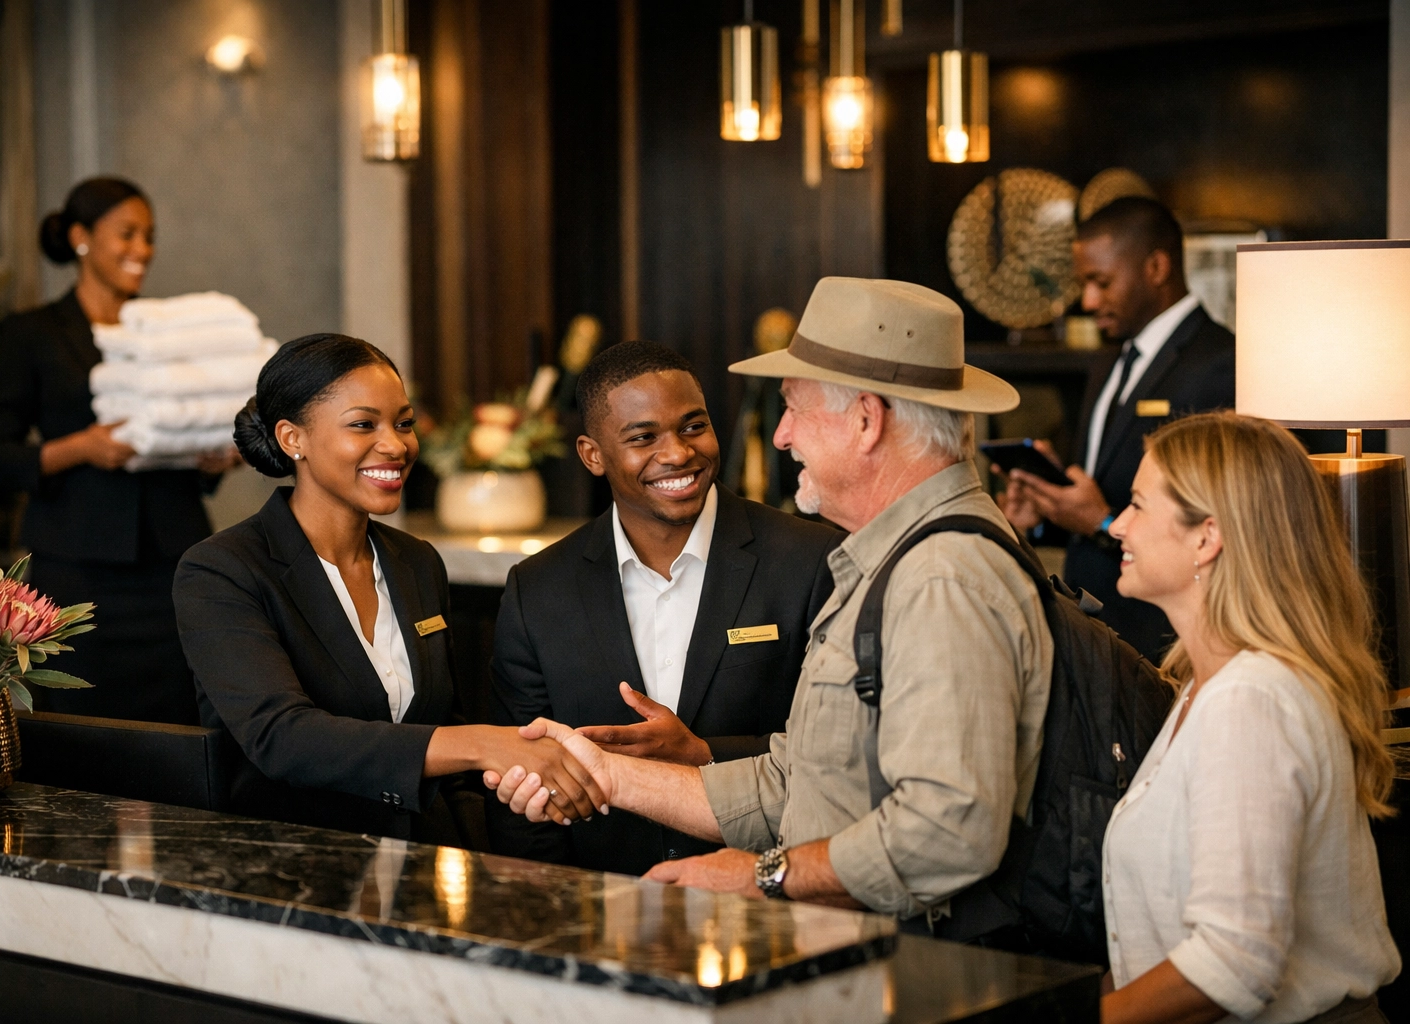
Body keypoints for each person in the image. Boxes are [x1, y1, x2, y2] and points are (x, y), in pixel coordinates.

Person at [486, 277, 1053, 922]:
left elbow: (947, 832)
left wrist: (767, 877)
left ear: (866, 420)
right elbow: (807, 777)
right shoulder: (893, 560)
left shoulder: (940, 577)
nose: (780, 436)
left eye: (795, 408)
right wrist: (607, 776)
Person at [172, 334, 605, 841]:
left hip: (421, 872)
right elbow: (282, 738)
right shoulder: (222, 569)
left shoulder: (416, 563)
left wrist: (489, 854)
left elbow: (450, 748)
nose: (397, 445)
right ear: (293, 439)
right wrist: (484, 742)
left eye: (403, 423)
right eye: (363, 425)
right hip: (293, 873)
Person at [487, 341, 841, 874]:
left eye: (693, 426)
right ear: (592, 454)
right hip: (602, 908)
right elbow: (522, 779)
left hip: (763, 895)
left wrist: (705, 753)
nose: (677, 453)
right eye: (643, 437)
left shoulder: (810, 559)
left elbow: (840, 751)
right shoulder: (538, 589)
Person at [1096, 412, 1398, 1024]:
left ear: (1207, 537)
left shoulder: (1251, 699)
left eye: (1136, 505)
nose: (1117, 525)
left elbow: (1234, 961)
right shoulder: (1205, 687)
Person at [0, 177, 237, 724]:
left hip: (174, 559)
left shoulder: (165, 330)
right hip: (75, 568)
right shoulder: (33, 332)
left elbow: (182, 426)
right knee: (84, 723)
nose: (142, 250)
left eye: (149, 236)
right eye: (127, 234)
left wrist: (210, 457)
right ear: (81, 237)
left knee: (180, 718)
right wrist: (82, 448)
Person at [998, 196, 1235, 661]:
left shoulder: (1221, 363)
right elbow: (1094, 491)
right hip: (1091, 627)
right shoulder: (1108, 358)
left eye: (1100, 282)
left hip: (1164, 638)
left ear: (1157, 267)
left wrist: (1104, 523)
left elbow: (1220, 523)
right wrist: (1046, 513)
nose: (1088, 301)